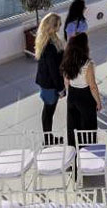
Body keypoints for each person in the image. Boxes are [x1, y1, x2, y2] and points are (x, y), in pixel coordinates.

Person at [61, 32, 101, 148]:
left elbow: (66, 82)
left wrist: (71, 95)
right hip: (85, 97)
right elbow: (92, 86)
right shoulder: (88, 64)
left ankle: (74, 153)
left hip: (72, 95)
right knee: (88, 128)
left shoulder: (67, 60)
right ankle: (87, 153)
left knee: (73, 127)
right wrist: (98, 102)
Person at [34, 13, 66, 145]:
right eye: (58, 25)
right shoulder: (49, 46)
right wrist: (61, 89)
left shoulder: (49, 39)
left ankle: (48, 138)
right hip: (50, 85)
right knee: (48, 112)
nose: (60, 27)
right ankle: (48, 140)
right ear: (52, 27)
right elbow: (53, 71)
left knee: (48, 112)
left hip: (47, 83)